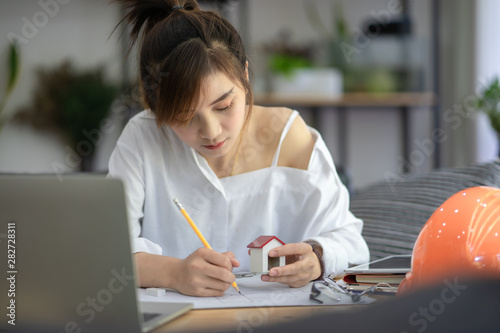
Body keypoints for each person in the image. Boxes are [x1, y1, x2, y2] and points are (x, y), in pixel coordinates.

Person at [108, 0, 369, 297]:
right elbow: (105, 255)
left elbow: (352, 242)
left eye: (224, 106)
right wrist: (173, 273)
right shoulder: (143, 137)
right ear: (158, 109)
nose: (212, 132)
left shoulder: (290, 137)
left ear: (244, 75)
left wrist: (318, 258)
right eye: (184, 117)